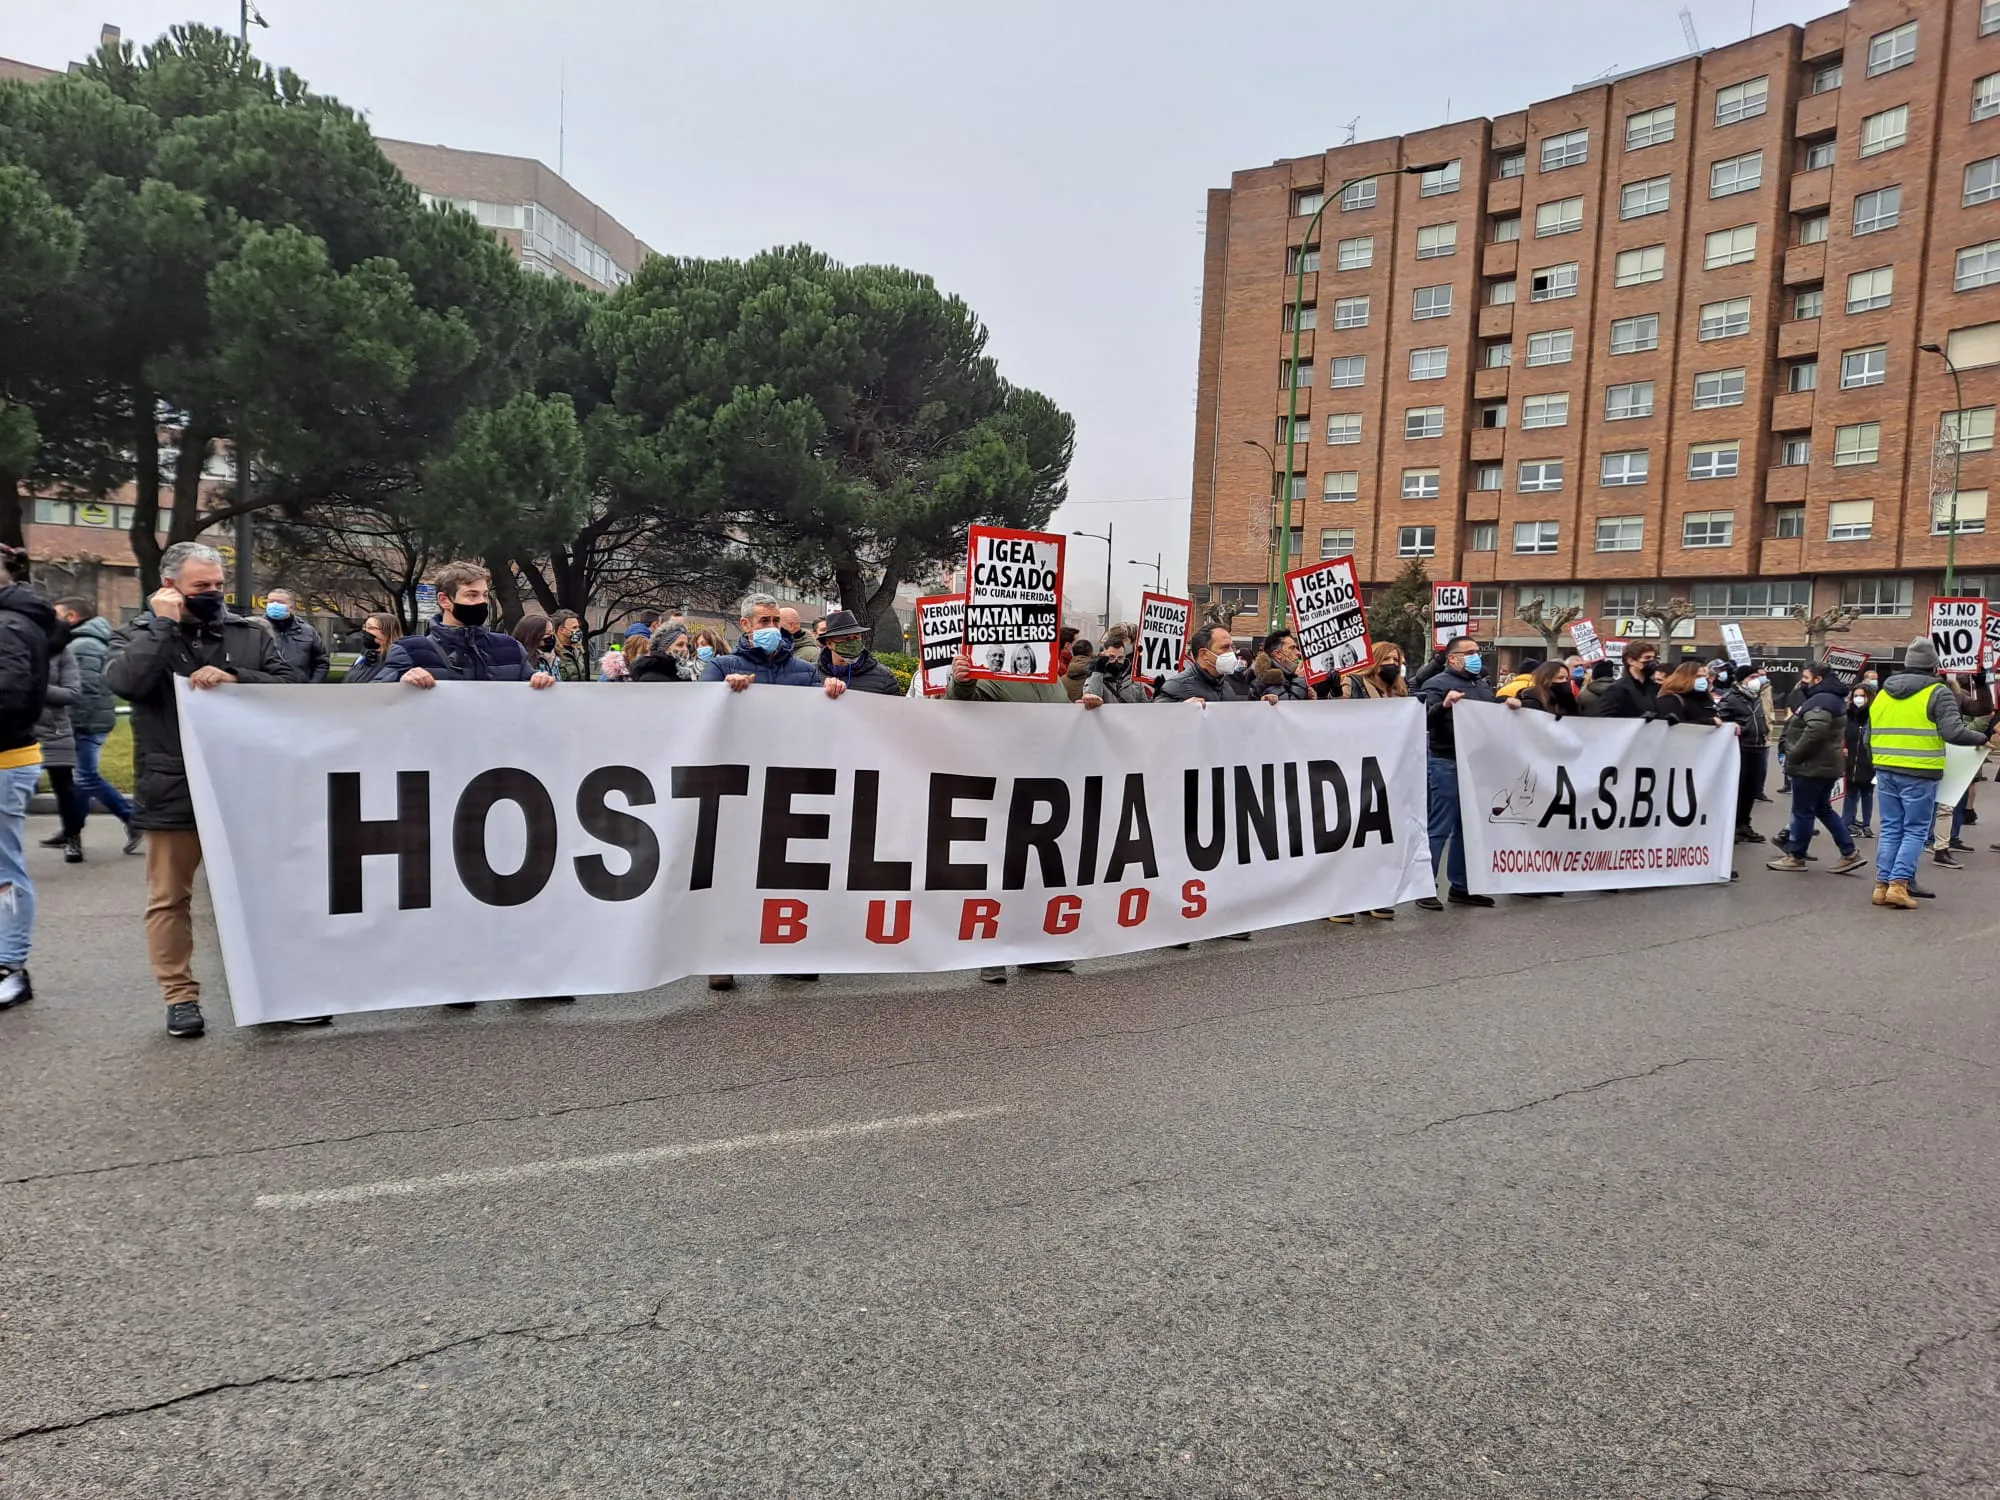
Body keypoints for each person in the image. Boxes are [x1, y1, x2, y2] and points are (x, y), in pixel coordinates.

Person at [105, 541, 300, 1037]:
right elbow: (126, 683)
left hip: (244, 783)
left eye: (218, 585)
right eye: (201, 586)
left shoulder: (248, 633)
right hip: (173, 785)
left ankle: (273, 992)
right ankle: (180, 996)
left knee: (264, 893)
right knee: (171, 898)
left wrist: (236, 676)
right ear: (170, 587)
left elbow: (292, 686)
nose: (213, 593)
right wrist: (163, 625)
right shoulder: (139, 634)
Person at [947, 644, 1078, 983]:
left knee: (1038, 872)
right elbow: (960, 708)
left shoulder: (1052, 680)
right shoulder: (991, 674)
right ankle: (991, 951)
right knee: (1001, 869)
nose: (1023, 658)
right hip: (1002, 784)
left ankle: (1037, 950)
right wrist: (962, 682)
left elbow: (1064, 722)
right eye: (1018, 654)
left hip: (1044, 787)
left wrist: (1085, 711)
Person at [1869, 639, 1996, 908]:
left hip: (1885, 768)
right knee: (1915, 830)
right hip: (1920, 770)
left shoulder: (1883, 692)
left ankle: (1881, 886)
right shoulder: (1938, 692)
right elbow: (1953, 732)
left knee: (1891, 828)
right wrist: (1981, 737)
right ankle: (1899, 884)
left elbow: (1869, 733)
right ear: (1934, 665)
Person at [0, 545, 53, 1009]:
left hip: (6, 758)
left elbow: (12, 697)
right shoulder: (17, 619)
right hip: (11, 756)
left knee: (4, 869)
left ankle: (10, 966)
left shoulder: (9, 624)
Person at [51, 597, 140, 853]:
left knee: (86, 777)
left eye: (57, 615)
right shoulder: (89, 640)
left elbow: (85, 689)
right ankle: (72, 830)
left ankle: (132, 819)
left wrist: (72, 724)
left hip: (86, 722)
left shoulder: (82, 645)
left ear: (71, 616)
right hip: (94, 719)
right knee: (81, 778)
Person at [382, 562, 558, 689]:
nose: (482, 602)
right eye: (472, 595)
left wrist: (539, 681)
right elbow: (377, 702)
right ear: (444, 600)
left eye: (485, 595)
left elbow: (530, 694)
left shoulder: (510, 648)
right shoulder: (409, 651)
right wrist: (400, 683)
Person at [1414, 637, 1495, 911]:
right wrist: (1444, 706)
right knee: (1440, 827)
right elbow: (1422, 719)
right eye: (1469, 652)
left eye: (1477, 652)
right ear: (1452, 658)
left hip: (1474, 763)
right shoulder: (1436, 684)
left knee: (1466, 827)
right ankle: (1426, 886)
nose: (1476, 656)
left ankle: (1461, 886)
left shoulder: (1481, 686)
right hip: (1446, 760)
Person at [1768, 660, 1866, 876]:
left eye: (1805, 678)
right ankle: (1849, 853)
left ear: (1818, 679)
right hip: (1824, 764)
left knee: (1803, 812)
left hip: (1810, 766)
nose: (1802, 682)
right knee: (1823, 809)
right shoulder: (1832, 698)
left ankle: (1796, 856)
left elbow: (1815, 731)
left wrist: (1794, 754)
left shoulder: (1821, 700)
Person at [33, 641, 84, 863]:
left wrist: (36, 687)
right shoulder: (11, 647)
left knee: (65, 788)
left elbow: (72, 693)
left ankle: (72, 837)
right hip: (16, 729)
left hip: (54, 732)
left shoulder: (61, 652)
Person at [1717, 665, 1772, 843]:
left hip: (1757, 746)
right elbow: (1722, 720)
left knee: (1751, 789)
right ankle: (1731, 827)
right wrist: (1733, 727)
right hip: (1741, 748)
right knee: (1738, 789)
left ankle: (1744, 824)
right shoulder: (1731, 698)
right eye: (1752, 677)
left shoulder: (1755, 697)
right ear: (1742, 680)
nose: (1756, 681)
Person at [1157, 625, 1253, 703]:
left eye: (1232, 647)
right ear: (1204, 654)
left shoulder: (1227, 688)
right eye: (1225, 647)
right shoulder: (1176, 687)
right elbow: (1157, 717)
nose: (1231, 652)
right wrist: (1181, 709)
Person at [815, 610, 901, 694]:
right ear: (829, 643)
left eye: (856, 637)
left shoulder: (884, 677)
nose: (852, 642)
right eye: (845, 638)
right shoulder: (812, 673)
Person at [261, 588, 329, 683]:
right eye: (271, 601)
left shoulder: (307, 631)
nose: (275, 605)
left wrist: (313, 685)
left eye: (280, 602)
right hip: (266, 686)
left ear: (291, 607)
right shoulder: (257, 628)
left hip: (299, 688)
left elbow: (321, 663)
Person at [1079, 625, 1151, 706]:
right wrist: (1098, 672)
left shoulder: (1134, 679)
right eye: (1111, 657)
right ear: (1103, 655)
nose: (1116, 661)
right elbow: (1092, 698)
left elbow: (1145, 707)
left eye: (1120, 657)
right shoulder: (1095, 677)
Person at [1594, 640, 1660, 719]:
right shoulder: (1617, 689)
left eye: (1654, 658)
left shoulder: (1653, 688)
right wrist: (1637, 721)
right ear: (1631, 661)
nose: (1652, 661)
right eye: (1647, 658)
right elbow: (1606, 720)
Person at [1844, 681, 1876, 838]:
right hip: (1850, 762)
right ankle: (1846, 823)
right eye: (1856, 695)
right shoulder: (1848, 715)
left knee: (1867, 795)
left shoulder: (1874, 715)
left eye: (1862, 696)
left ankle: (1866, 825)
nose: (1858, 699)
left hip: (1868, 762)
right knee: (1850, 794)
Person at [1251, 630, 1314, 701]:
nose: (1298, 653)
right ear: (1278, 654)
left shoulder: (1290, 675)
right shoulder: (1268, 679)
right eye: (1292, 648)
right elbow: (1288, 706)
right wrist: (1300, 680)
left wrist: (1309, 698)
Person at [1650, 661, 1717, 726]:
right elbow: (1667, 726)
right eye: (1698, 677)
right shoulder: (1671, 700)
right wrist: (1706, 722)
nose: (1702, 680)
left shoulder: (1706, 698)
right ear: (1683, 678)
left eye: (1704, 677)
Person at [342, 613, 401, 685]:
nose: (365, 631)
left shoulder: (395, 661)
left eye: (370, 628)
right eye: (364, 627)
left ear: (387, 632)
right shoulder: (367, 657)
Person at [1515, 659, 1579, 717]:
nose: (1565, 681)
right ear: (1546, 679)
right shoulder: (1532, 701)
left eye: (1567, 678)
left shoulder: (1566, 700)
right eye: (1560, 678)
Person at [511, 613, 561, 679]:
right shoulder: (522, 660)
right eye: (547, 634)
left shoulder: (555, 656)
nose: (551, 637)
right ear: (533, 635)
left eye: (552, 632)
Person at [551, 610, 591, 682]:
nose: (578, 630)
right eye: (574, 627)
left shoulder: (578, 651)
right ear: (562, 630)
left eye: (578, 627)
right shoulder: (552, 653)